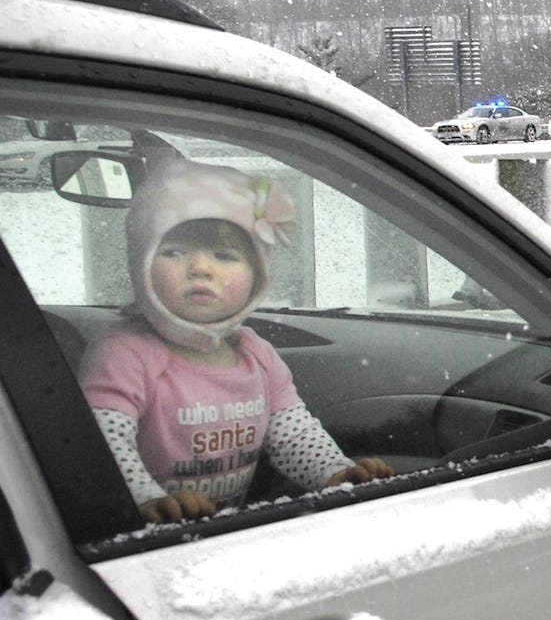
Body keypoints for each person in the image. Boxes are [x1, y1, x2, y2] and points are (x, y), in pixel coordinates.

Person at [80, 157, 393, 524]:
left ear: (257, 276)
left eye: (225, 255)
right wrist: (146, 499)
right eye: (174, 252)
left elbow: (293, 435)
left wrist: (336, 474)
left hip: (221, 533)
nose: (200, 268)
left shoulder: (255, 354)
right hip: (144, 538)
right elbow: (102, 443)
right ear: (141, 265)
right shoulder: (123, 354)